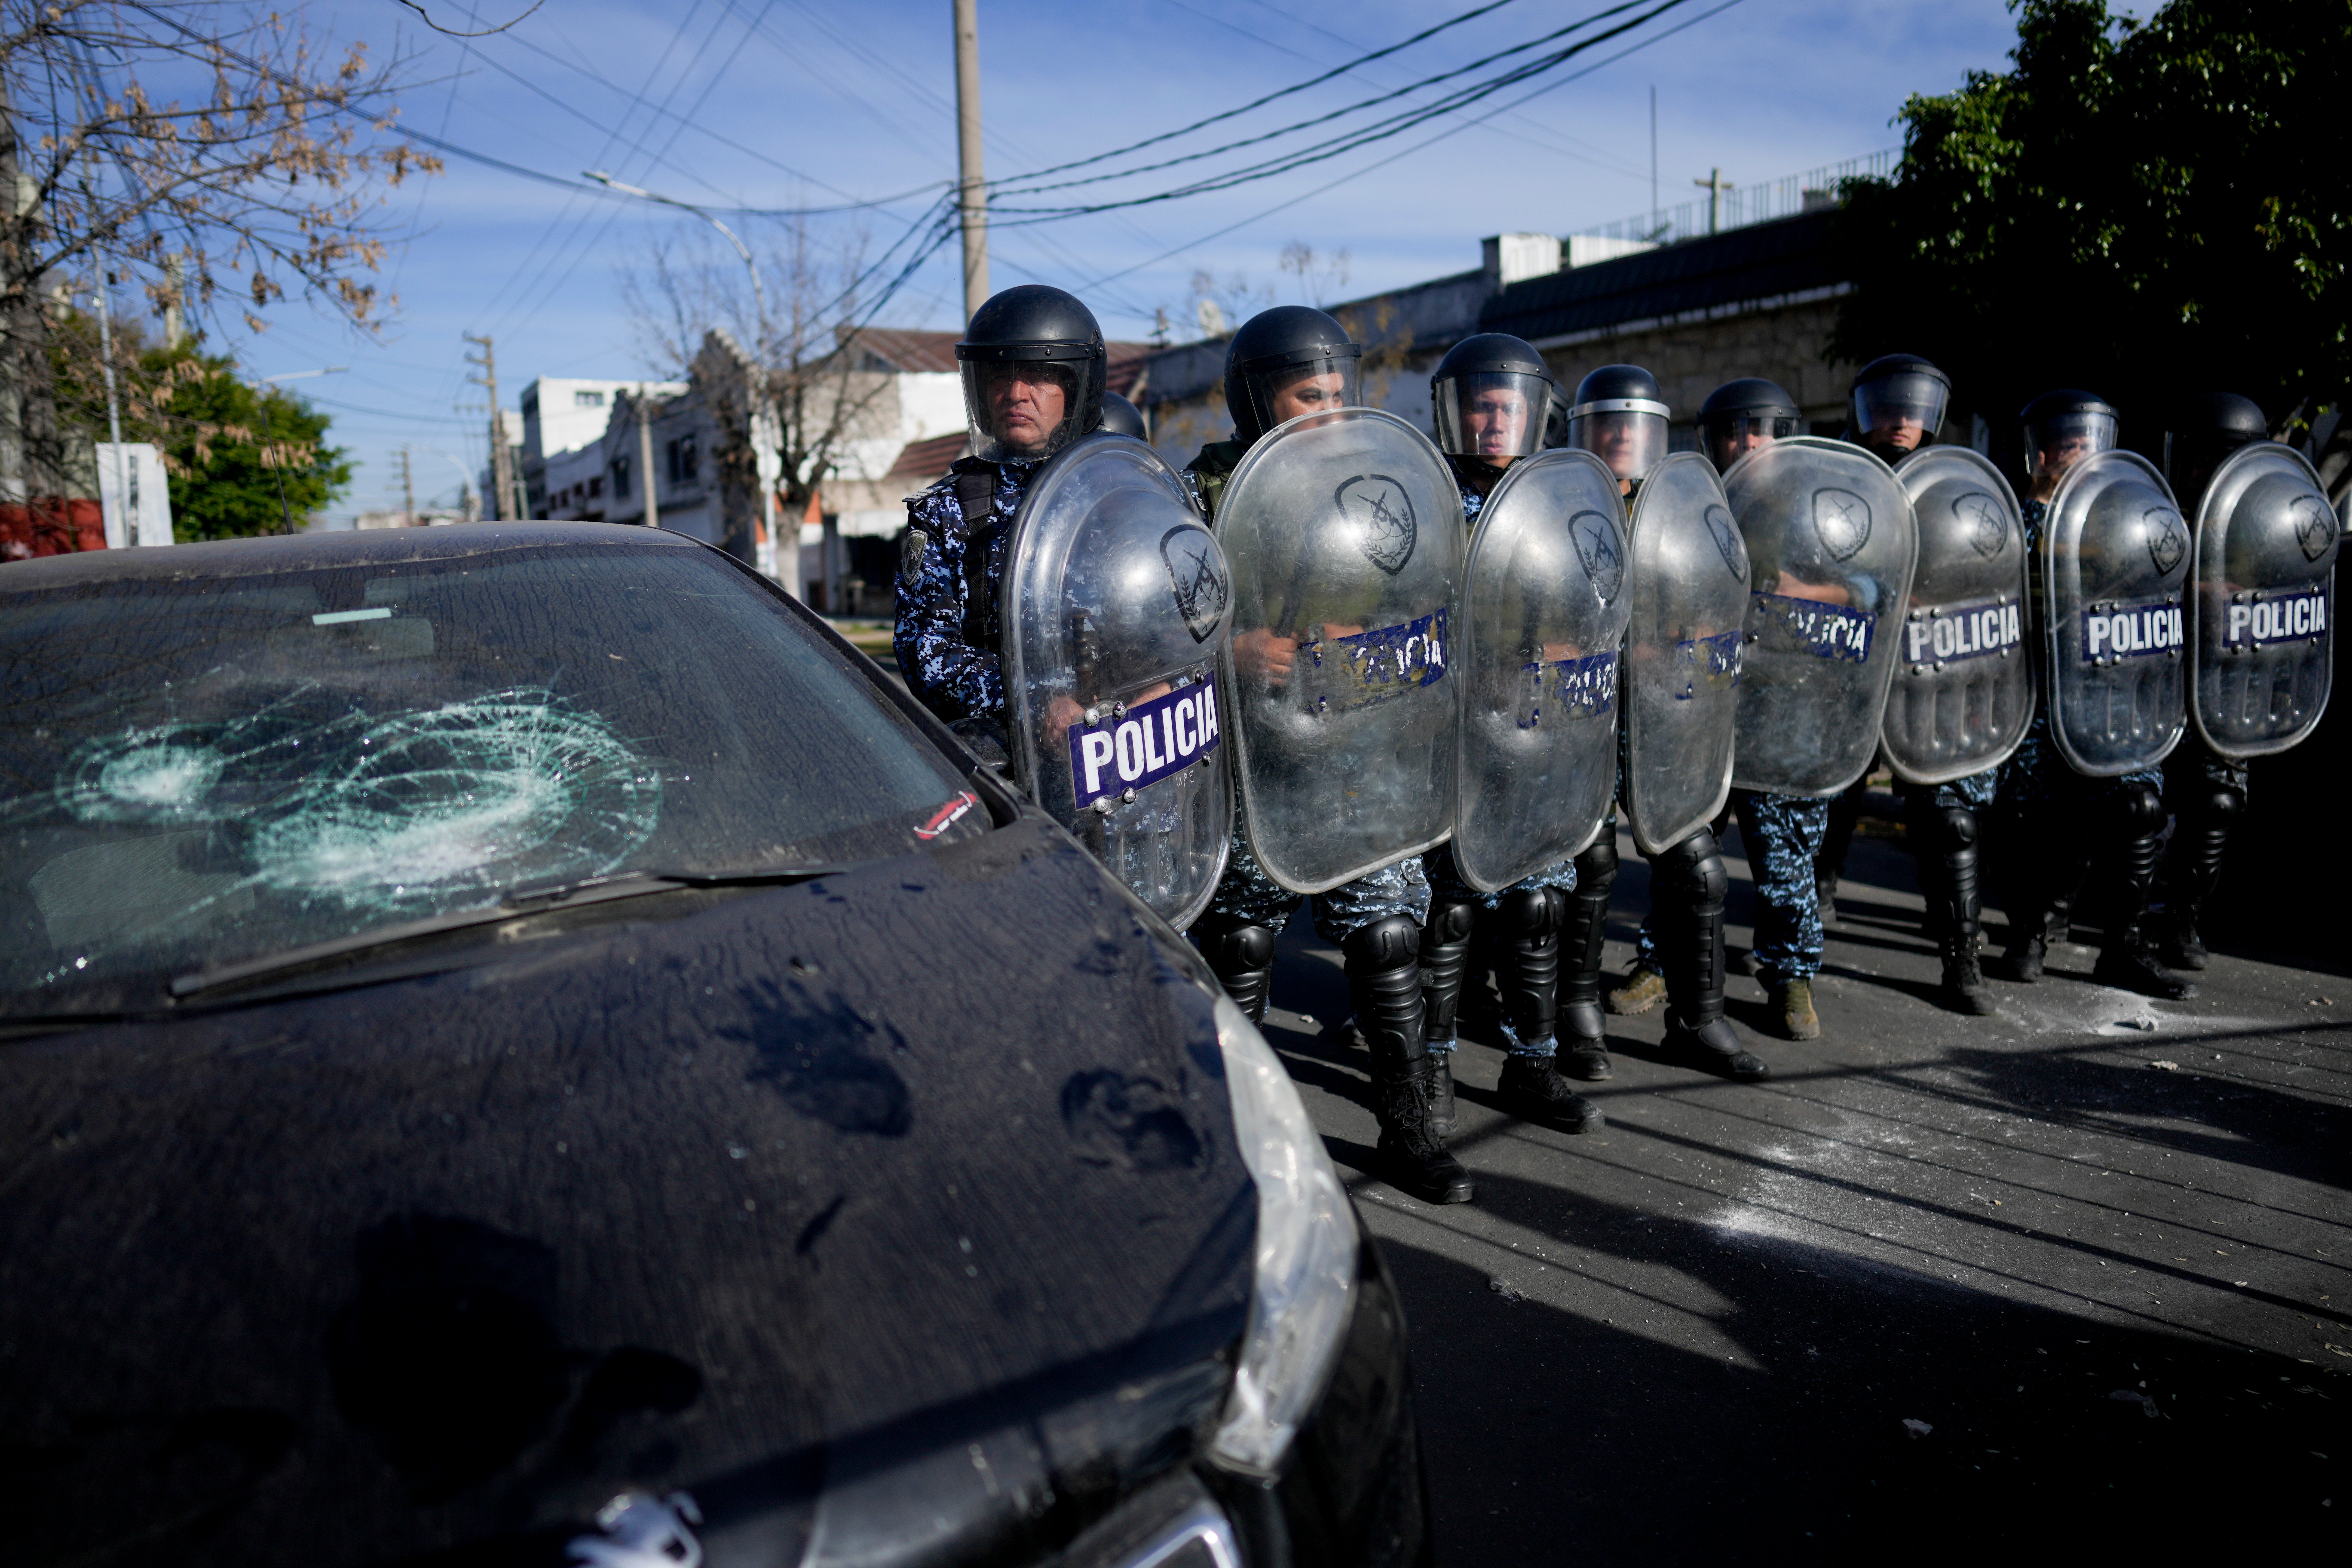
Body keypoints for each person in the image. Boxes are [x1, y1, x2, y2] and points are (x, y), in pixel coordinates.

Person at [1183, 305, 1476, 1203]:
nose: (1330, 414)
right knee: (1238, 946)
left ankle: (1408, 1125)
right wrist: (1235, 648)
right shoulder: (1195, 497)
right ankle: (1233, 1143)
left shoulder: (1373, 485)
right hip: (1250, 768)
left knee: (1391, 938)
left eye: (1340, 396)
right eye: (1309, 396)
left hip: (1357, 756)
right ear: (1255, 398)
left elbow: (1432, 596)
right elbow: (1156, 618)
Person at [1417, 334, 1605, 1132]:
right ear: (1455, 413)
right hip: (1450, 745)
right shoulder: (1421, 499)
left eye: (1511, 406)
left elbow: (1601, 601)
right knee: (1451, 910)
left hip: (1540, 738)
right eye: (1482, 406)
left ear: (1538, 414)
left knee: (1537, 906)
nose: (1495, 421)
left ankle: (1532, 1062)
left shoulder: (1565, 500)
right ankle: (1430, 1064)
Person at [1573, 364, 1769, 1082]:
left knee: (1700, 870)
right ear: (1584, 431)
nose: (1623, 439)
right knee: (1588, 865)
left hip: (1662, 717)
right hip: (1579, 717)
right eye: (1609, 424)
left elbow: (1717, 593)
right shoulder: (1559, 502)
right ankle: (1575, 1016)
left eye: (1636, 425)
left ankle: (1699, 1019)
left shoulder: (1689, 507)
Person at [1989, 389, 2192, 998]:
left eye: (2087, 442)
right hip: (2035, 702)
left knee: (2139, 807)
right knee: (2034, 813)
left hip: (2109, 695)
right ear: (2041, 451)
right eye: (2065, 444)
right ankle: (2030, 932)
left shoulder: (2130, 518)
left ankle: (2124, 946)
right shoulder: (2011, 522)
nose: (2076, 454)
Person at [893, 285, 1106, 748]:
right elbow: (925, 651)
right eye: (1000, 378)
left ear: (1074, 388)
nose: (1015, 394)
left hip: (1138, 740)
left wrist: (1157, 685)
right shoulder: (945, 511)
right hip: (1014, 759)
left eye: (1039, 376)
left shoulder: (1120, 492)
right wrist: (1032, 702)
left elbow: (1173, 622)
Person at [1701, 376, 1841, 1039]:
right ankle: (1661, 962)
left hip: (1786, 712)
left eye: (1760, 429)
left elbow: (1870, 584)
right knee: (1687, 846)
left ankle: (1791, 974)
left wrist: (1801, 586)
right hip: (1703, 708)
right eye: (1735, 430)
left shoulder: (1818, 511)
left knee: (1785, 858)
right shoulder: (1698, 506)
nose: (1747, 441)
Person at [1815, 354, 1955, 921]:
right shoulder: (1843, 475)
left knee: (1931, 788)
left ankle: (1946, 906)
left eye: (1913, 409)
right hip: (1855, 654)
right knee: (1843, 779)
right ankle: (1819, 890)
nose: (1901, 420)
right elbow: (1824, 555)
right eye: (1889, 406)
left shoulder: (1949, 481)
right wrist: (1875, 593)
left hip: (1927, 655)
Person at [2150, 392, 2270, 969]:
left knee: (2218, 803)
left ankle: (2181, 922)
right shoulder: (2151, 517)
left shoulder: (2264, 528)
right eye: (2199, 458)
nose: (2208, 473)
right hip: (2148, 690)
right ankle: (2114, 920)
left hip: (2222, 695)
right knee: (2135, 806)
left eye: (2224, 459)